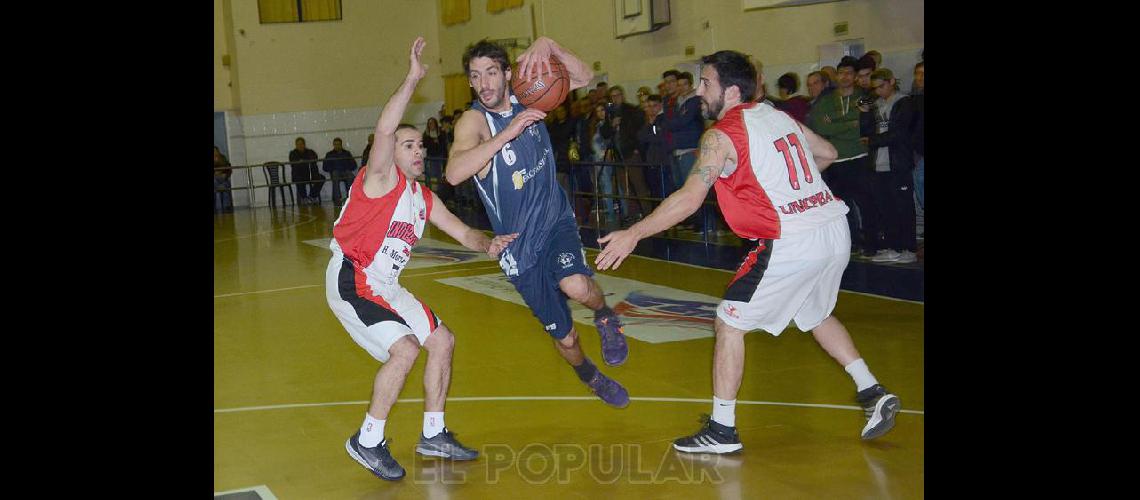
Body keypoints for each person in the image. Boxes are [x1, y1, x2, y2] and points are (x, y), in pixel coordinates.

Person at [594, 50, 901, 454]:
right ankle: (872, 391)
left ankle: (722, 429)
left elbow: (689, 198)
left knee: (729, 322)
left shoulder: (720, 136)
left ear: (731, 90)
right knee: (815, 313)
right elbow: (826, 153)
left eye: (706, 84)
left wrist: (634, 233)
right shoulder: (777, 116)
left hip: (791, 238)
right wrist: (794, 190)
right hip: (832, 227)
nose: (700, 92)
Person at [330, 37, 516, 481]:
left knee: (442, 341)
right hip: (352, 278)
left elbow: (461, 230)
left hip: (386, 286)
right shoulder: (378, 179)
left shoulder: (423, 197)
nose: (418, 150)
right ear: (391, 154)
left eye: (420, 145)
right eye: (408, 144)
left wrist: (488, 244)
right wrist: (413, 79)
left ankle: (433, 433)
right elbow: (384, 129)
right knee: (405, 350)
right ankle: (367, 440)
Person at [446, 37, 631, 408]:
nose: (484, 84)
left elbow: (583, 75)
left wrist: (550, 46)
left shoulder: (528, 94)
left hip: (554, 220)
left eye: (492, 73)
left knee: (577, 285)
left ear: (508, 74)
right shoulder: (474, 121)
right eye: (476, 76)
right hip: (518, 247)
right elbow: (453, 173)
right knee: (566, 340)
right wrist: (508, 133)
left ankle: (606, 316)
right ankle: (590, 376)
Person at [809, 56, 878, 257]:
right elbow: (821, 126)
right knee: (842, 206)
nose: (844, 76)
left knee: (867, 205)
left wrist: (837, 124)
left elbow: (864, 125)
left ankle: (871, 245)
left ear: (855, 76)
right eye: (841, 73)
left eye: (849, 72)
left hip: (860, 157)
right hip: (836, 161)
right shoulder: (827, 100)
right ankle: (852, 243)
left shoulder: (865, 96)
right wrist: (850, 122)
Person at [859, 68, 917, 263]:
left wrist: (873, 141)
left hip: (898, 163)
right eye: (875, 88)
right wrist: (865, 114)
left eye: (881, 86)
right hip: (878, 164)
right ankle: (893, 246)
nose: (879, 91)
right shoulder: (876, 104)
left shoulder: (904, 102)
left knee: (903, 208)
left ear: (891, 81)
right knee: (886, 208)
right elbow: (865, 133)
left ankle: (908, 249)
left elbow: (899, 134)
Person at [323, 137, 358, 206]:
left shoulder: (347, 153)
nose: (337, 146)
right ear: (333, 145)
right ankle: (337, 199)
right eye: (335, 144)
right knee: (335, 175)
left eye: (338, 144)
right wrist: (332, 169)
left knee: (351, 176)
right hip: (335, 172)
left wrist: (348, 168)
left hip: (345, 171)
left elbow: (354, 165)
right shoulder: (329, 154)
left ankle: (351, 197)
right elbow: (325, 167)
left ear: (341, 145)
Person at [290, 137, 325, 205]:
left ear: (304, 144)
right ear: (296, 145)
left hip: (311, 174)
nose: (300, 146)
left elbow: (314, 159)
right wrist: (305, 161)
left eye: (301, 144)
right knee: (299, 179)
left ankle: (312, 196)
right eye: (298, 144)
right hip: (299, 175)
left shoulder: (310, 152)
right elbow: (294, 163)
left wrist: (303, 161)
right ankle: (304, 198)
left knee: (322, 178)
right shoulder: (293, 153)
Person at [214, 146, 233, 212]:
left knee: (222, 187)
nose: (215, 153)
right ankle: (223, 208)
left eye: (216, 151)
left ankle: (225, 207)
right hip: (215, 180)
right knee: (218, 189)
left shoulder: (223, 158)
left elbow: (229, 169)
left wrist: (223, 173)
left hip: (223, 178)